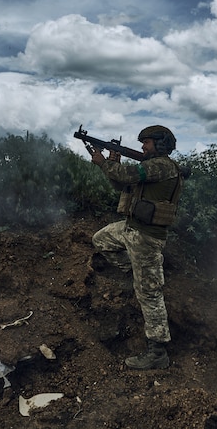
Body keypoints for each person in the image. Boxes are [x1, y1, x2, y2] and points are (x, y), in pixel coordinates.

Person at [88, 125, 182, 370]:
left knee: (150, 295)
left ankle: (157, 352)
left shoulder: (161, 166)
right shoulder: (150, 168)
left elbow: (127, 174)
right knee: (101, 240)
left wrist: (102, 162)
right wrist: (111, 163)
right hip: (131, 228)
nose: (143, 147)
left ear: (160, 145)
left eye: (147, 143)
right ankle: (136, 272)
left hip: (146, 237)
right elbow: (121, 185)